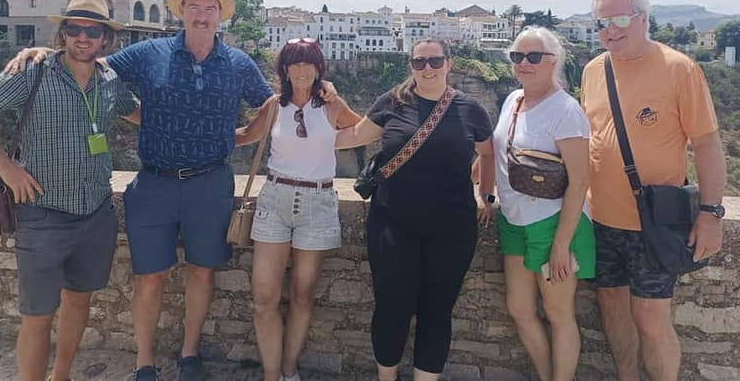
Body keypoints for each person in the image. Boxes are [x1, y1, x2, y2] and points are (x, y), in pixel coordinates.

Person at [7, 0, 336, 381]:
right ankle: (144, 361)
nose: (201, 15)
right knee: (149, 276)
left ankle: (189, 354)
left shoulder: (237, 63)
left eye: (209, 8)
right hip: (155, 182)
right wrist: (45, 52)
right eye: (193, 7)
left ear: (219, 16)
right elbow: (91, 67)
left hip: (210, 182)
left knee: (202, 270)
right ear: (181, 12)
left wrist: (252, 130)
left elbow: (273, 105)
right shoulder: (149, 53)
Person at [0, 0, 140, 381]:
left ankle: (61, 375)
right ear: (62, 33)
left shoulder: (111, 80)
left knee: (79, 303)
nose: (82, 37)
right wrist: (6, 168)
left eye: (92, 30)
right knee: (37, 315)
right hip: (44, 213)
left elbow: (141, 115)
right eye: (74, 28)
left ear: (106, 39)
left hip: (95, 212)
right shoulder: (32, 72)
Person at [581, 0, 726, 381]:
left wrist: (711, 214)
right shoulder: (594, 70)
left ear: (643, 19)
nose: (611, 29)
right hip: (602, 219)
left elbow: (708, 145)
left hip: (653, 221)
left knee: (650, 315)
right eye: (602, 23)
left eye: (620, 19)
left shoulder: (679, 68)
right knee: (611, 303)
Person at [335, 38, 495, 381]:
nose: (428, 69)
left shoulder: (470, 109)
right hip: (393, 223)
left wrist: (486, 193)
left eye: (435, 61)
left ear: (449, 64)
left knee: (437, 311)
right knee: (392, 306)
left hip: (452, 227)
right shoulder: (393, 102)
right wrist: (301, 124)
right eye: (420, 62)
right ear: (411, 65)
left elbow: (488, 153)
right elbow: (354, 136)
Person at [235, 38, 360, 381]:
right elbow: (246, 135)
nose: (303, 70)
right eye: (295, 63)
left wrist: (337, 98)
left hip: (317, 203)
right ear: (284, 70)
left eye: (310, 63)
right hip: (275, 199)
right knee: (263, 298)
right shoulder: (275, 105)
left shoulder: (330, 106)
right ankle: (272, 374)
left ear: (319, 68)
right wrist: (197, 136)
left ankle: (289, 370)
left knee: (302, 296)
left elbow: (362, 130)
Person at [490, 26, 593, 381]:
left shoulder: (566, 110)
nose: (524, 63)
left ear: (554, 61)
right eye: (517, 56)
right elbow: (496, 153)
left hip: (553, 223)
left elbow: (580, 180)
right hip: (514, 219)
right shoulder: (512, 100)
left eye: (534, 56)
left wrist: (562, 244)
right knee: (519, 308)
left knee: (558, 311)